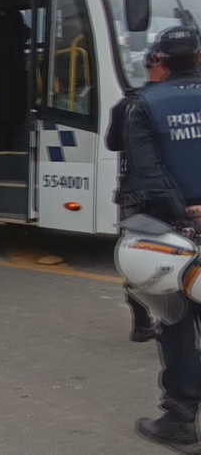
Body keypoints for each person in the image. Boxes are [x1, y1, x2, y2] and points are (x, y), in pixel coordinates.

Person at [120, 26, 201, 452]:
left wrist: (186, 214)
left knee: (177, 324)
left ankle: (181, 419)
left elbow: (150, 175)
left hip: (176, 232)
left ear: (160, 61)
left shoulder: (144, 104)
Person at [104, 44, 167, 343]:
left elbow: (113, 144)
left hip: (132, 193)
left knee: (137, 259)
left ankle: (142, 322)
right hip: (168, 192)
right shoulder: (170, 101)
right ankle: (173, 319)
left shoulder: (126, 103)